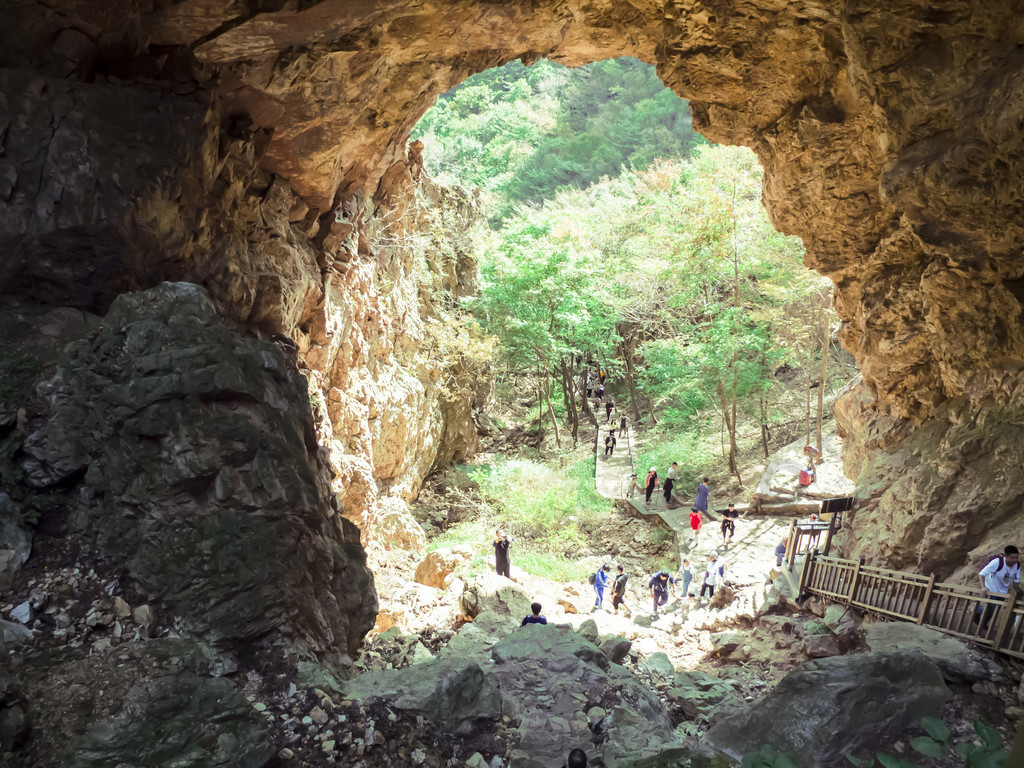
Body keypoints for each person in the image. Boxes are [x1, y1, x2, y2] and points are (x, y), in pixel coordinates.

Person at [975, 545, 1021, 630]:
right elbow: (982, 574)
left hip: (1003, 592)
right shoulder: (997, 562)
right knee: (991, 610)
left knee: (994, 609)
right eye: (1012, 558)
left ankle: (978, 611)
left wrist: (1017, 592)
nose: (1014, 560)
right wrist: (983, 587)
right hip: (991, 589)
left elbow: (1016, 581)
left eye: (1016, 558)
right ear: (1006, 556)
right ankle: (982, 622)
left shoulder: (1017, 565)